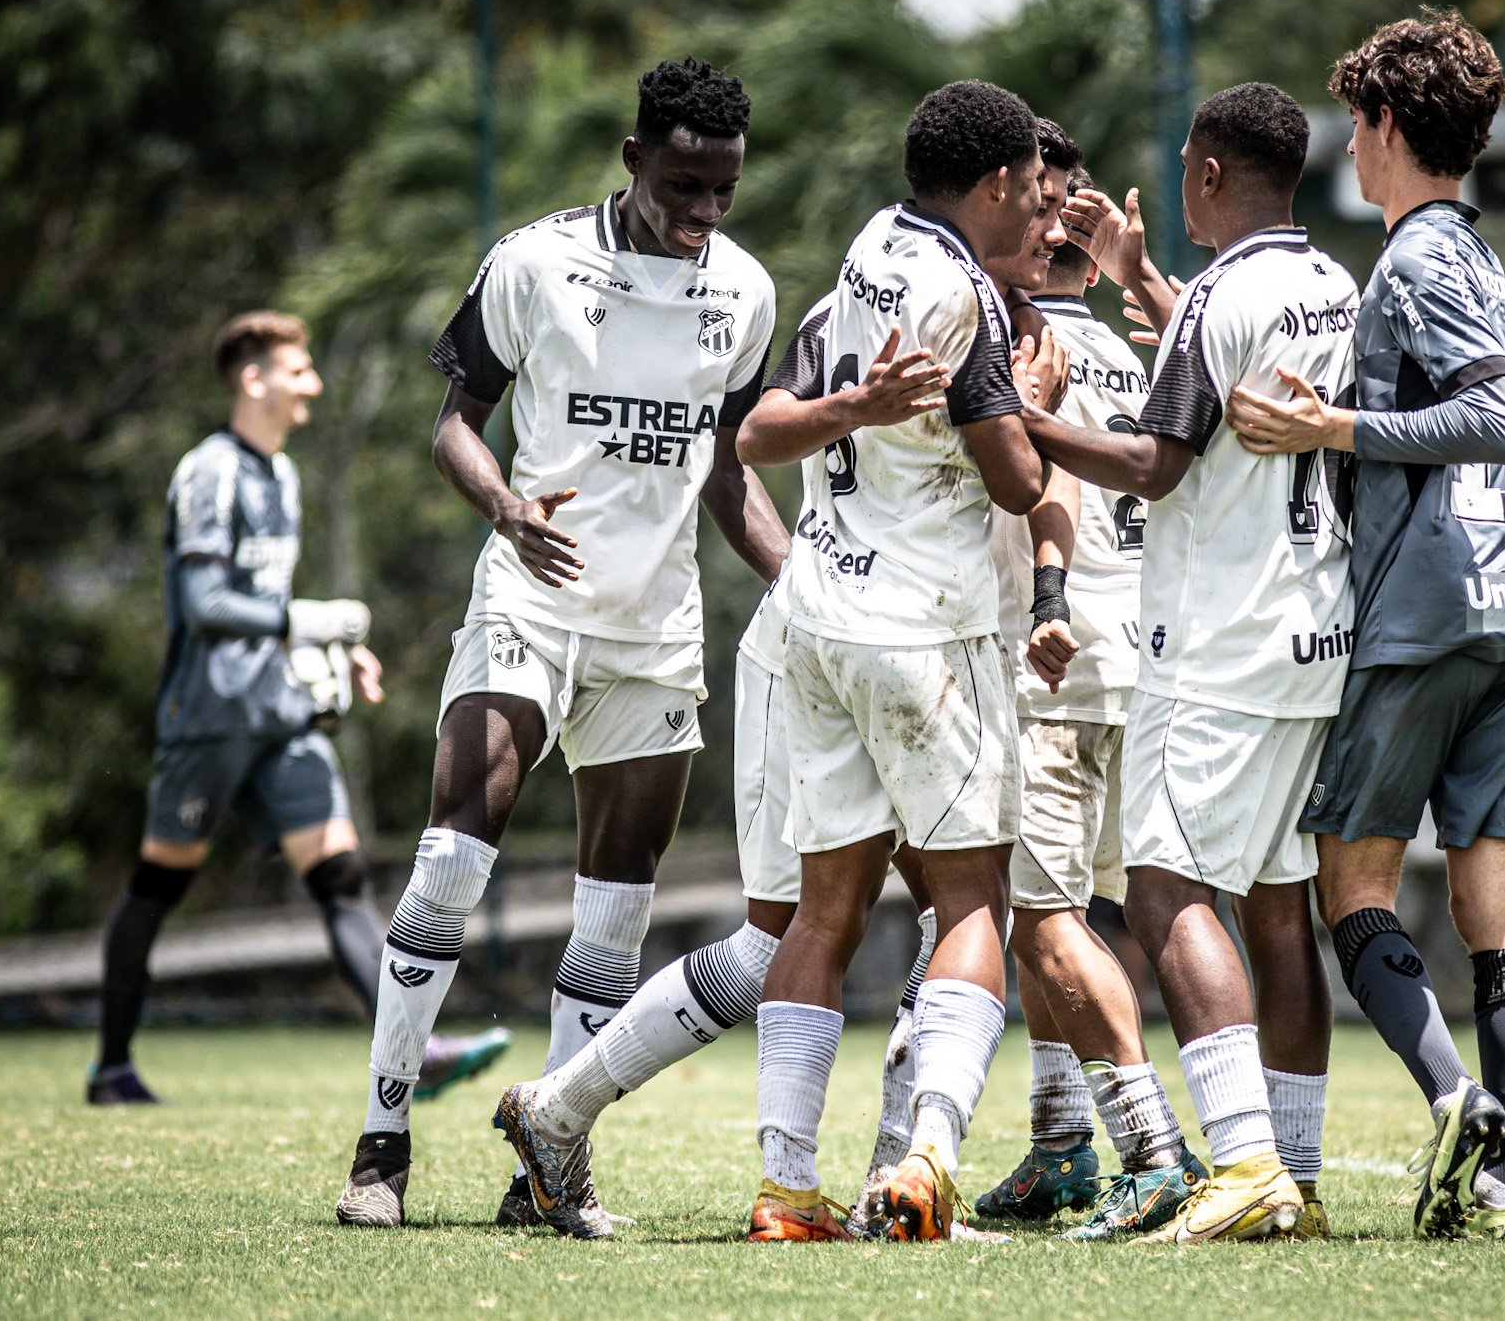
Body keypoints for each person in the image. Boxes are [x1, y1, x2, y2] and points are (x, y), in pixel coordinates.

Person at [335, 58, 785, 1230]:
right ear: (634, 159)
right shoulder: (532, 263)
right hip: (528, 602)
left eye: (722, 191)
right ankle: (381, 1146)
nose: (702, 213)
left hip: (653, 628)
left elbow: (727, 472)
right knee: (454, 851)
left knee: (613, 912)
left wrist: (799, 581)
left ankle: (547, 1171)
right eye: (683, 184)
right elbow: (454, 429)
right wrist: (506, 510)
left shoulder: (743, 291)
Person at [487, 290, 952, 1239]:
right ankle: (872, 1185)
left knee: (942, 908)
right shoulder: (881, 308)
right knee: (817, 931)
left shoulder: (1000, 320)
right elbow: (745, 436)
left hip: (911, 653)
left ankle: (562, 1109)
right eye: (1038, 197)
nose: (1052, 224)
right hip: (827, 652)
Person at [1226, 9, 1505, 1243]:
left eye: (1352, 128)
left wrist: (1335, 432)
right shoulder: (1471, 254)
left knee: (1350, 885)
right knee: (1496, 912)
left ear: (1382, 128)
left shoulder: (1414, 260)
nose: (1344, 155)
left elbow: (1495, 416)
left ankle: (1453, 1098)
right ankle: (1504, 1190)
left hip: (1424, 615)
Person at [1024, 83, 1356, 1245]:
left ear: (1208, 173)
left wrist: (1020, 422)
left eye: (1181, 166)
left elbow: (1154, 464)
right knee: (1276, 903)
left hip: (1217, 641)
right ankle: (1296, 1179)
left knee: (1164, 891)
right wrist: (1137, 278)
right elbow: (1216, 376)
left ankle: (1245, 1162)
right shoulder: (1329, 282)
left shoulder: (1220, 290)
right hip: (1314, 631)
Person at [738, 79, 1055, 1244]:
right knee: (973, 901)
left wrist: (858, 408)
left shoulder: (871, 245)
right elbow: (1018, 480)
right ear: (988, 186)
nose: (1036, 208)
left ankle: (783, 1194)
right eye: (1027, 186)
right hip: (923, 630)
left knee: (822, 912)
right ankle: (923, 1161)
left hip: (817, 619)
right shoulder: (964, 293)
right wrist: (1028, 404)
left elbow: (757, 433)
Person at [89, 311, 502, 1105]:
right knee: (157, 886)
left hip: (281, 717)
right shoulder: (208, 472)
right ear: (255, 380)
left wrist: (335, 652)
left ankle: (415, 1052)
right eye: (299, 368)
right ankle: (112, 1066)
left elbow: (270, 607)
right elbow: (205, 601)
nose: (312, 381)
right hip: (209, 718)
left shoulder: (281, 474)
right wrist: (310, 619)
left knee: (343, 879)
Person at [954, 127, 1208, 1242]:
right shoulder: (1135, 341)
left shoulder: (1017, 340)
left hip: (1054, 659)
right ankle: (1058, 1145)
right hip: (1141, 663)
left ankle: (1152, 1151)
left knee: (1041, 917)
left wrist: (1045, 601)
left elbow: (1030, 485)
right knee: (1085, 918)